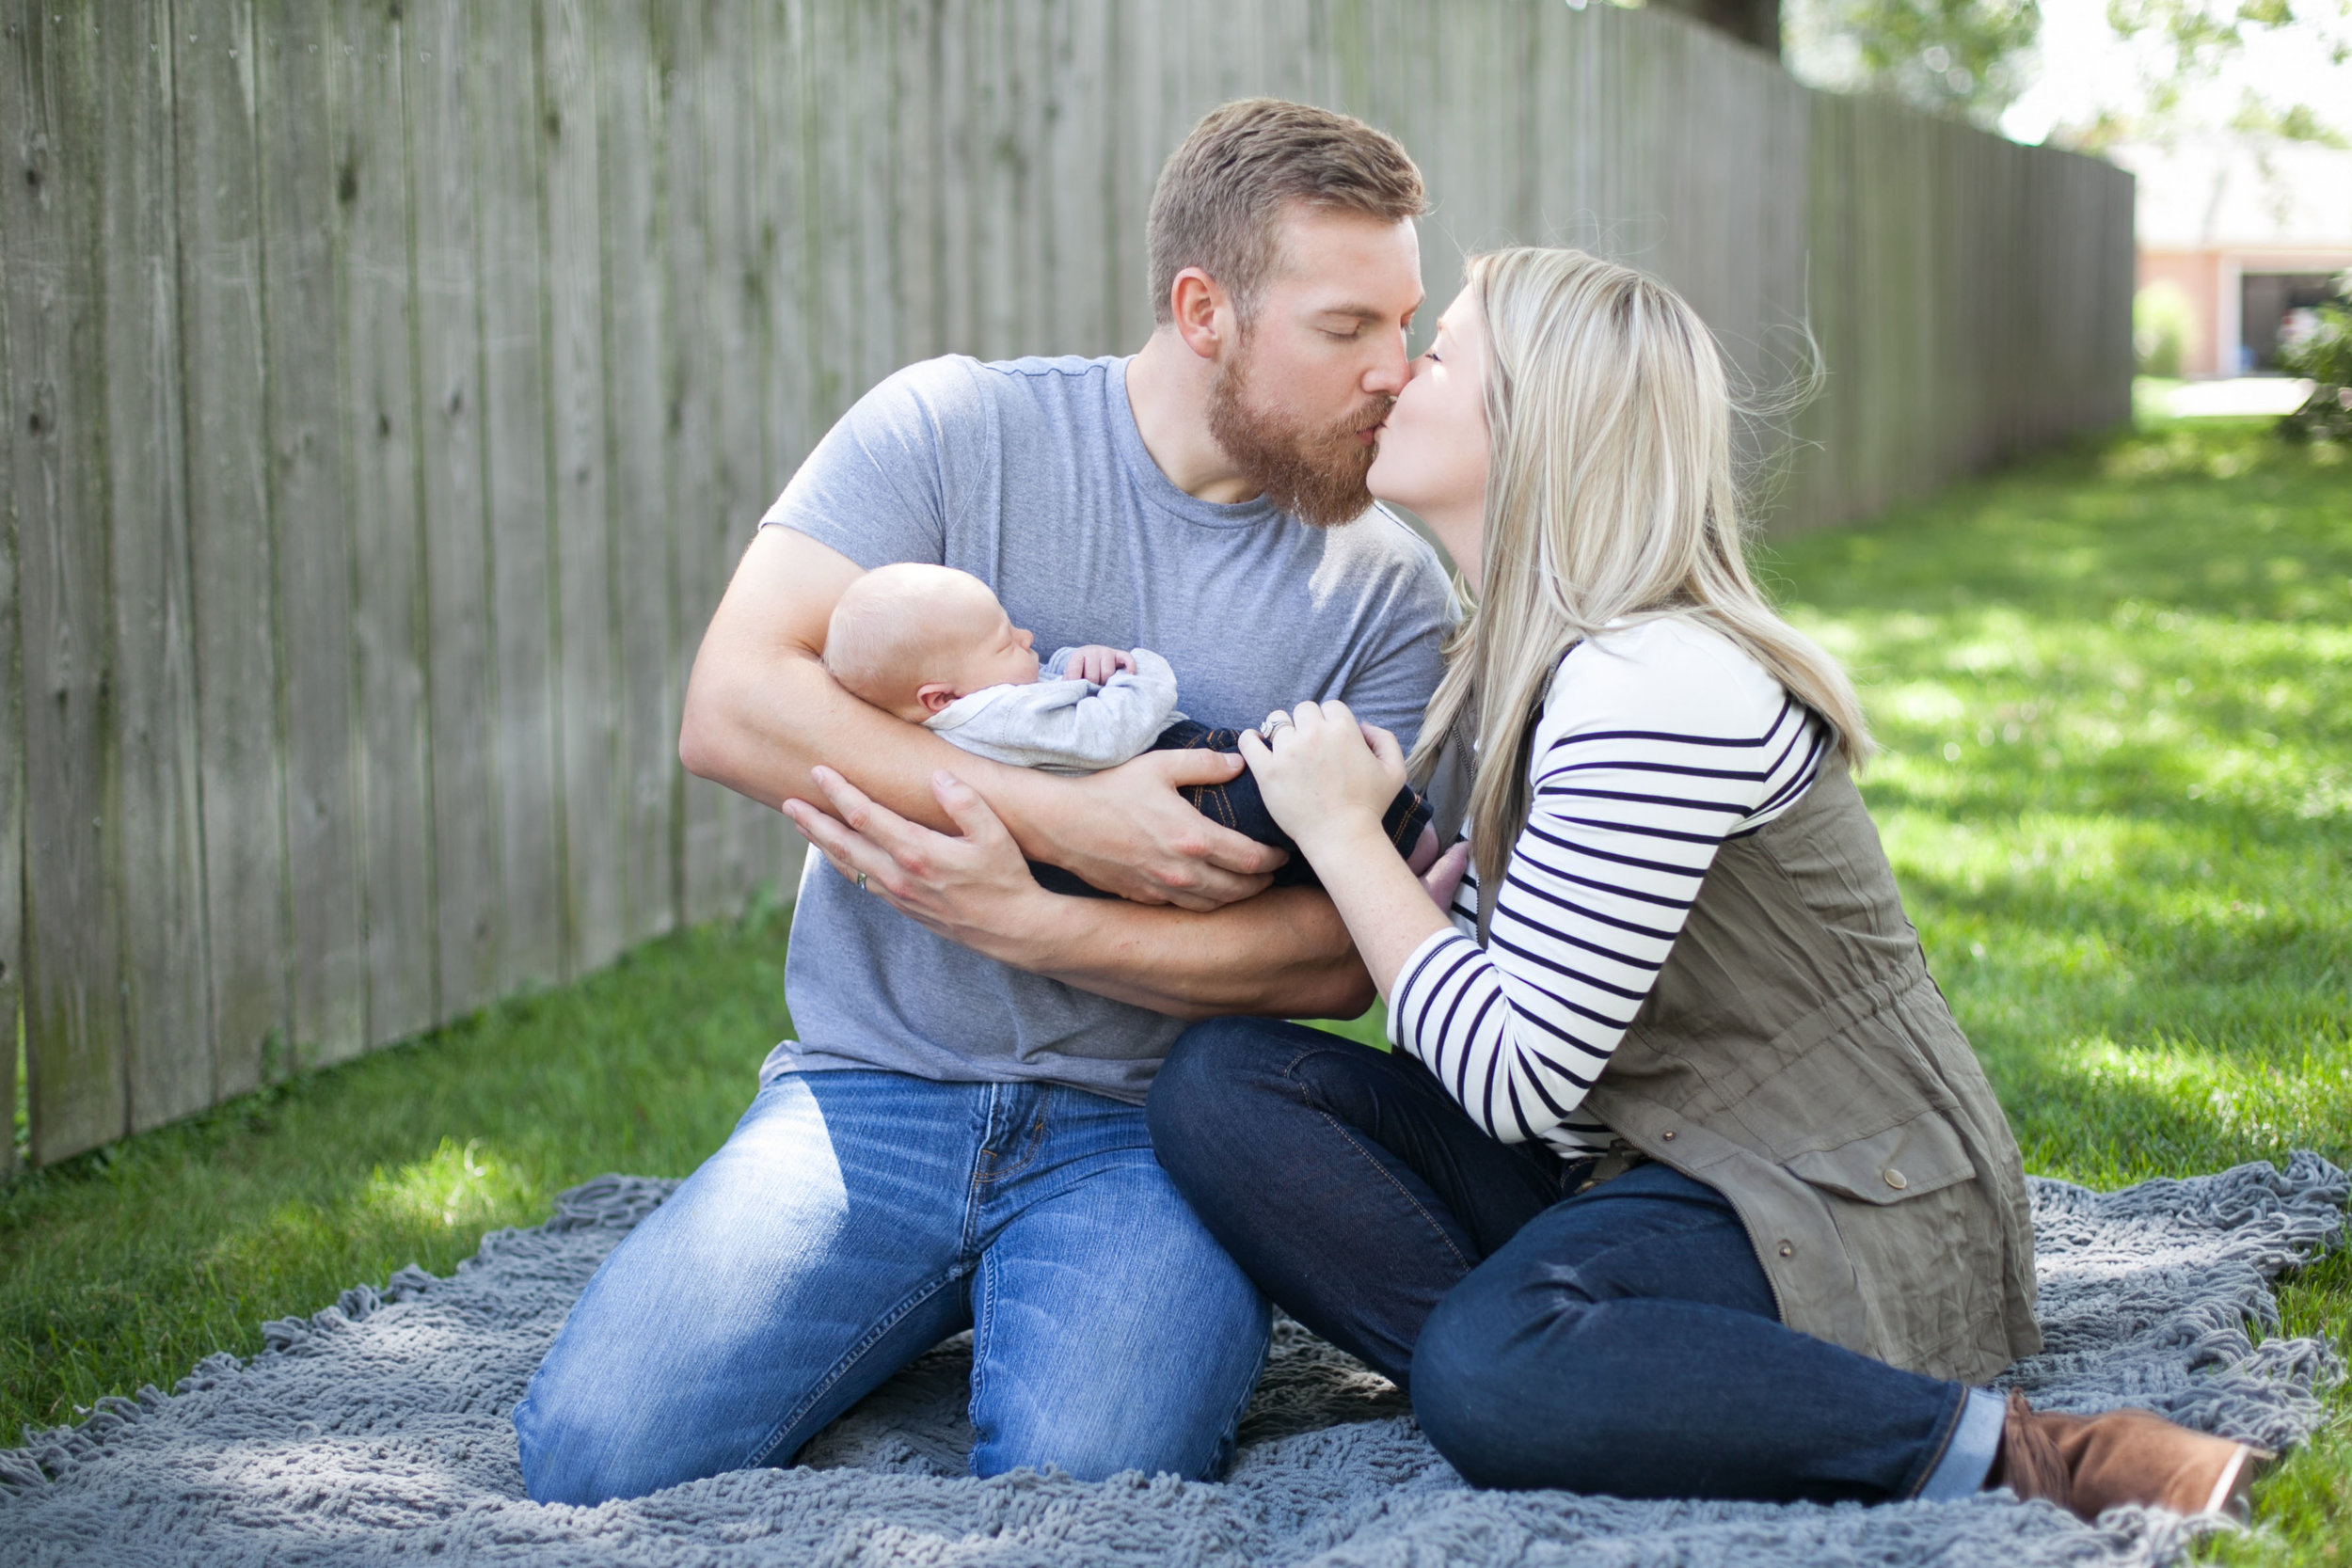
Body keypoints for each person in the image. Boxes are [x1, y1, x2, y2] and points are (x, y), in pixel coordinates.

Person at [1143, 246, 2271, 1522]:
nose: (1400, 371)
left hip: (1849, 1195)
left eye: (1443, 351)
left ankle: (2049, 1456)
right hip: (1648, 1167)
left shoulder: (1651, 680)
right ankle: (1613, 1391)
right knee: (1226, 1083)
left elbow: (1518, 1075)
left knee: (1490, 1361)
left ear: (1540, 420)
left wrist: (1351, 846)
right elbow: (1507, 1061)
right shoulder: (1514, 661)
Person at [509, 99, 1454, 1505]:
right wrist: (1065, 819)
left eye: (1406, 322)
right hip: (868, 1089)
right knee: (596, 1452)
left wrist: (1036, 923)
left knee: (1098, 1483)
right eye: (1345, 329)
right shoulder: (956, 427)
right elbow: (734, 702)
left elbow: (1343, 953)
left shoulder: (1390, 591)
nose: (1395, 372)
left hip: (1152, 1135)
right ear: (1204, 309)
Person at [821, 562, 1436, 895]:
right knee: (1298, 781)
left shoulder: (966, 716)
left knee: (1286, 841)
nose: (1028, 638)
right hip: (1187, 797)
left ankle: (1399, 855)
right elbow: (1103, 736)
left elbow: (1043, 704)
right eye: (1006, 638)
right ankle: (1411, 845)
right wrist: (1142, 673)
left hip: (1173, 802)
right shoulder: (996, 715)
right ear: (942, 695)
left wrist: (1072, 665)